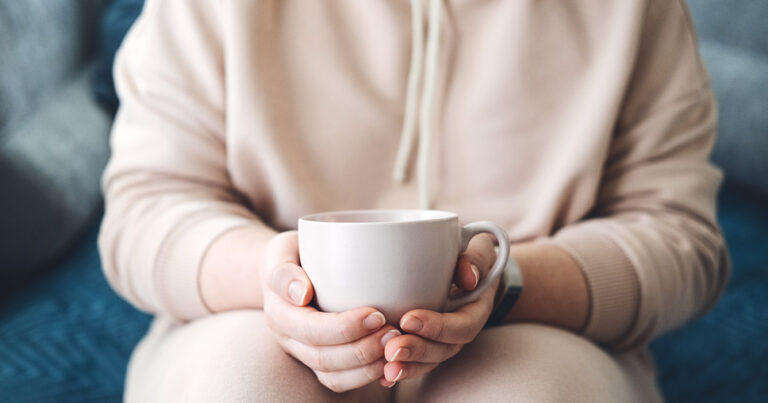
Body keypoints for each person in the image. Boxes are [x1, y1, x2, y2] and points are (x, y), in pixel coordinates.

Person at [98, 0, 730, 401]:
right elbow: (147, 206)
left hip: (538, 329)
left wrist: (506, 284)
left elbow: (681, 238)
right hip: (250, 324)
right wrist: (273, 278)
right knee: (236, 388)